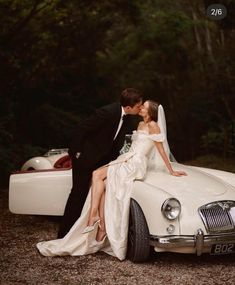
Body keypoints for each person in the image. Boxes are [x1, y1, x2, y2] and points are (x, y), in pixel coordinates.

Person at [37, 100, 187, 260]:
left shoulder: (153, 126)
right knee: (106, 184)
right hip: (127, 158)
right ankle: (101, 229)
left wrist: (171, 170)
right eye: (141, 105)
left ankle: (93, 216)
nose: (141, 107)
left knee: (96, 175)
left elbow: (161, 150)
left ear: (150, 111)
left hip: (136, 163)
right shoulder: (140, 125)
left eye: (144, 106)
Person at [58, 88, 143, 238]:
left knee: (98, 194)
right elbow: (81, 128)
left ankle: (88, 233)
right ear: (129, 107)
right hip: (85, 158)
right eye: (138, 106)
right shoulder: (107, 112)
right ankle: (64, 235)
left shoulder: (127, 117)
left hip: (102, 160)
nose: (140, 108)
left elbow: (115, 141)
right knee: (78, 194)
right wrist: (76, 153)